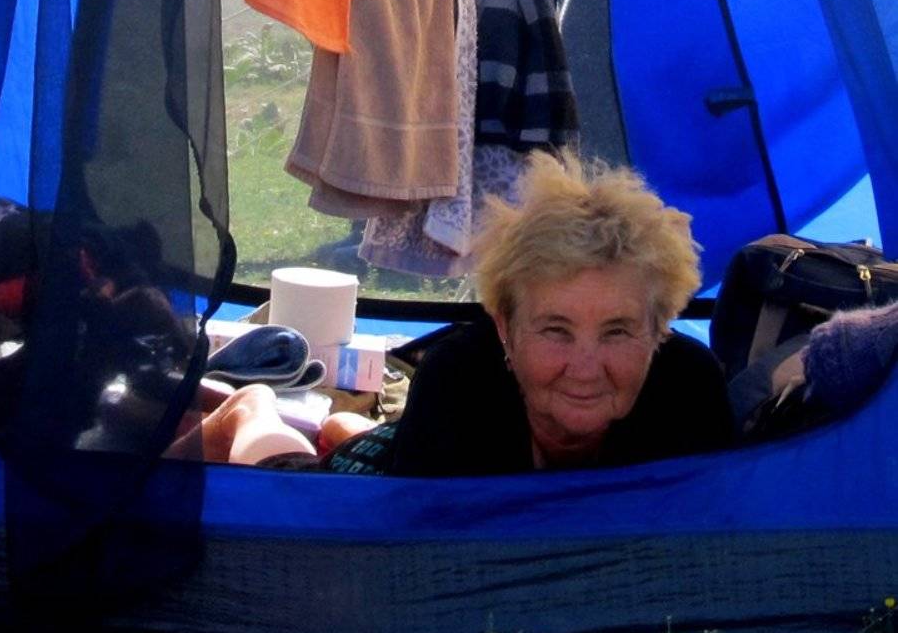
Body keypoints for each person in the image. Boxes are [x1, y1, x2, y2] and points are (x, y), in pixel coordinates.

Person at [206, 152, 735, 474]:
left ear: (658, 330)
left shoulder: (690, 386)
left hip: (422, 445)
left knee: (358, 429)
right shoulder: (458, 377)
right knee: (293, 472)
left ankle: (346, 423)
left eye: (617, 331)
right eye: (556, 330)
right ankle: (252, 406)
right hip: (386, 482)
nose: (585, 367)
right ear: (505, 328)